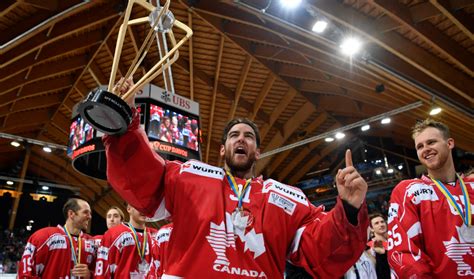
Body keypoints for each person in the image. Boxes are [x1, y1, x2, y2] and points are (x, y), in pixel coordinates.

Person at [103, 78, 369, 277]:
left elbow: (320, 250)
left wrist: (348, 208)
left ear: (257, 152)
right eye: (234, 135)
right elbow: (141, 180)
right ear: (222, 150)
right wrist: (124, 127)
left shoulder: (287, 197)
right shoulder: (188, 176)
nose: (241, 139)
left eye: (249, 137)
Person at [387, 119, 474, 277]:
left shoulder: (472, 186)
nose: (425, 149)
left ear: (450, 143)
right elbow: (404, 253)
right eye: (420, 146)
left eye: (431, 142)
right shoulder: (409, 191)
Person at [18, 198, 96, 278]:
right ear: (71, 214)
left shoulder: (92, 242)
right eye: (85, 212)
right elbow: (26, 273)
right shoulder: (44, 236)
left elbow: (101, 274)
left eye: (90, 213)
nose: (89, 217)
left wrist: (90, 275)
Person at [94, 204, 157, 278]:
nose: (144, 209)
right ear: (129, 209)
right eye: (139, 206)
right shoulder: (112, 234)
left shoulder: (156, 235)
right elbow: (102, 271)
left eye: (147, 206)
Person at [367, 213, 390, 278]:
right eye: (376, 223)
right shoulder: (370, 246)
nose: (381, 224)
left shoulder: (394, 241)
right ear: (372, 229)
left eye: (382, 222)